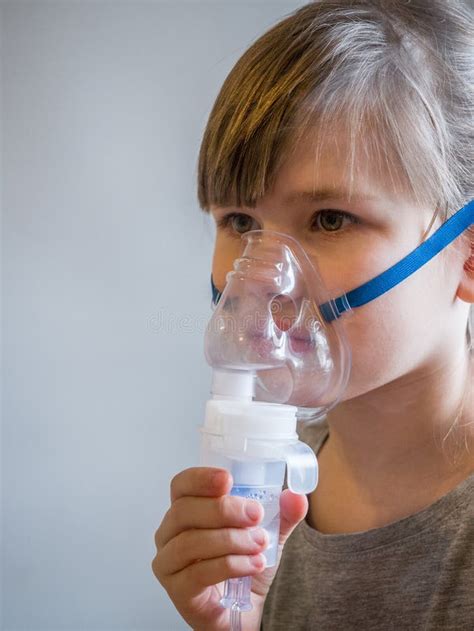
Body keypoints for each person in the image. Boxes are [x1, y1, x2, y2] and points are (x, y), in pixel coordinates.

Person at [151, 1, 474, 629]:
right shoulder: (264, 504)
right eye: (240, 222)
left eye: (330, 219)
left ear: (466, 256)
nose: (264, 277)